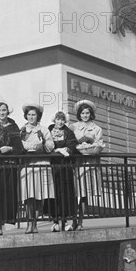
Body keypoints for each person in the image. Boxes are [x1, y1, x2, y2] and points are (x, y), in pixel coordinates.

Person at [0, 100, 23, 236]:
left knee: (8, 193)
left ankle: (5, 221)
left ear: (8, 111)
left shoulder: (14, 126)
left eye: (4, 110)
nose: (2, 113)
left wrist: (11, 148)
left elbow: (20, 148)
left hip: (10, 164)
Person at [19, 103, 55, 234]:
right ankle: (29, 223)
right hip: (28, 166)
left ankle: (35, 223)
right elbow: (18, 146)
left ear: (38, 116)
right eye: (29, 114)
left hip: (42, 164)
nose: (31, 117)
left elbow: (51, 145)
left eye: (33, 114)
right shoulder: (22, 130)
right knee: (29, 196)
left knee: (39, 196)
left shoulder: (44, 129)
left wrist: (43, 142)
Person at [71, 99, 105, 231]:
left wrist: (91, 142)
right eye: (82, 113)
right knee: (74, 193)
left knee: (84, 195)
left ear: (91, 114)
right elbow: (69, 142)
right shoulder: (72, 127)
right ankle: (73, 219)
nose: (85, 115)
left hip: (89, 164)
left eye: (87, 113)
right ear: (79, 114)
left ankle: (80, 221)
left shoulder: (97, 128)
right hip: (77, 164)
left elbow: (99, 144)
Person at [47, 111, 78, 232]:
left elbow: (72, 145)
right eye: (57, 119)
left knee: (65, 193)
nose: (59, 122)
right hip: (53, 166)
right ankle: (55, 221)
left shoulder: (69, 132)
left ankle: (65, 221)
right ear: (54, 120)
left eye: (62, 119)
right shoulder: (48, 130)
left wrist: (63, 150)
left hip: (65, 167)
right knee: (53, 193)